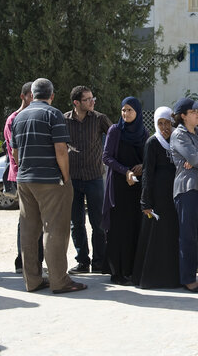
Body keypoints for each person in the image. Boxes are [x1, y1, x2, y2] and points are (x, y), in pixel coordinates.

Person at [11, 78, 86, 293]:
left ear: (31, 95)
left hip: (24, 180)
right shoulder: (53, 114)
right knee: (55, 230)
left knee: (28, 231)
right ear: (51, 96)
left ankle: (32, 281)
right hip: (51, 180)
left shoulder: (19, 117)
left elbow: (15, 153)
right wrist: (66, 178)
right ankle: (59, 281)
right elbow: (61, 150)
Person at [64, 86, 112, 274]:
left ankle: (100, 261)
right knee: (76, 223)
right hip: (72, 178)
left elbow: (115, 135)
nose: (92, 102)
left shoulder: (99, 118)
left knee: (98, 222)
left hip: (94, 177)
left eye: (93, 98)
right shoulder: (63, 119)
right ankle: (82, 261)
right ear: (76, 103)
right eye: (88, 99)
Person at [132, 106, 181, 288]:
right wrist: (146, 201)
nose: (164, 127)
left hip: (175, 196)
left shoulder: (178, 140)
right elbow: (147, 174)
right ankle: (152, 278)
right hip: (158, 197)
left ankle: (173, 277)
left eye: (167, 123)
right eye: (160, 123)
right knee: (155, 236)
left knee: (171, 235)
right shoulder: (153, 143)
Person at [102, 97, 147, 285]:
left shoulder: (143, 132)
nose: (126, 114)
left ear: (137, 112)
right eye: (123, 110)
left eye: (129, 110)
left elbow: (147, 156)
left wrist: (141, 166)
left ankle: (131, 270)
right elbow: (107, 157)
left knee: (133, 227)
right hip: (119, 185)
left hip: (136, 187)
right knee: (119, 229)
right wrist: (125, 171)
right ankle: (117, 272)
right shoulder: (115, 130)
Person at [3, 81, 43, 274]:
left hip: (37, 176)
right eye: (30, 95)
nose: (34, 99)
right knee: (27, 220)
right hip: (23, 176)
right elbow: (14, 152)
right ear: (23, 96)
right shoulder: (14, 119)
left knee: (40, 219)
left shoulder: (38, 115)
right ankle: (23, 262)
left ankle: (37, 261)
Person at [171, 97, 198, 293]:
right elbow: (194, 158)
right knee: (188, 236)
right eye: (193, 112)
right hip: (187, 190)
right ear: (183, 116)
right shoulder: (179, 134)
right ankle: (188, 278)